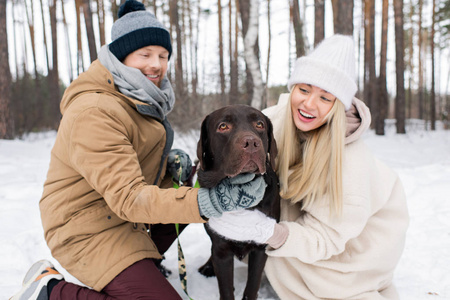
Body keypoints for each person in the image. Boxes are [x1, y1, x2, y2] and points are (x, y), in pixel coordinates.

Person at [10, 1, 267, 299]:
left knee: (186, 187)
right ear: (120, 57)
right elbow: (129, 197)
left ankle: (144, 264)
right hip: (86, 230)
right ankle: (50, 291)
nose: (156, 64)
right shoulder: (95, 110)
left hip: (121, 220)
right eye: (144, 54)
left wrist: (168, 169)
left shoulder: (141, 100)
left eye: (162, 55)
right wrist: (214, 201)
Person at [207, 34, 410, 299]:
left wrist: (269, 231)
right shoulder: (272, 120)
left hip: (354, 248)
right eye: (304, 90)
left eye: (325, 98)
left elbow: (328, 237)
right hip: (307, 225)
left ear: (339, 106)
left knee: (303, 275)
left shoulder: (351, 162)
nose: (309, 104)